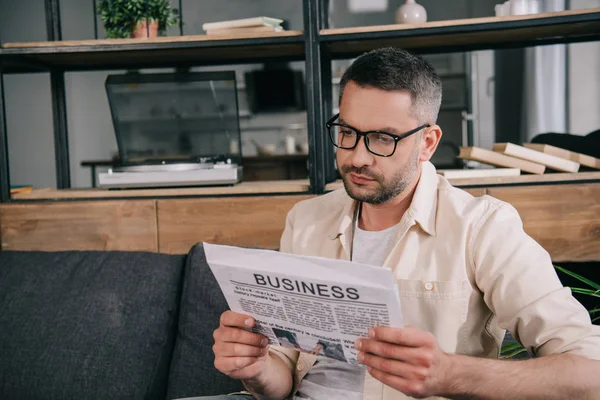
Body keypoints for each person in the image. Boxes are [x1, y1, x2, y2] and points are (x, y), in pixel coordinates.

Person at [210, 48, 600, 400]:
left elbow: (589, 373)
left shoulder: (482, 227)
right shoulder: (306, 220)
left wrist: (450, 374)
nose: (358, 156)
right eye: (346, 132)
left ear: (428, 143)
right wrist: (257, 367)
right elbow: (282, 378)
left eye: (382, 139)